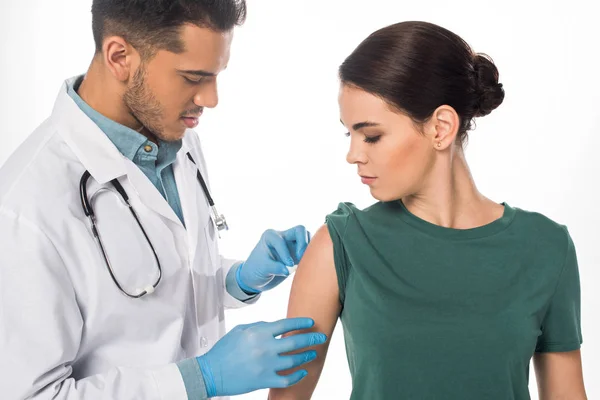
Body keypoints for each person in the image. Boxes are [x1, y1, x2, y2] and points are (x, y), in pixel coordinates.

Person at [0, 1, 327, 399]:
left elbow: (152, 290)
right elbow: (31, 394)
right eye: (193, 77)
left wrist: (234, 280)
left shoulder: (177, 143)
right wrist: (200, 379)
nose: (211, 98)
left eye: (216, 76)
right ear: (120, 57)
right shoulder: (24, 208)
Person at [268, 21, 587, 400]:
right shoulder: (342, 244)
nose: (353, 154)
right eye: (348, 134)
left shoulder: (546, 248)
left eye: (371, 135)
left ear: (440, 127)